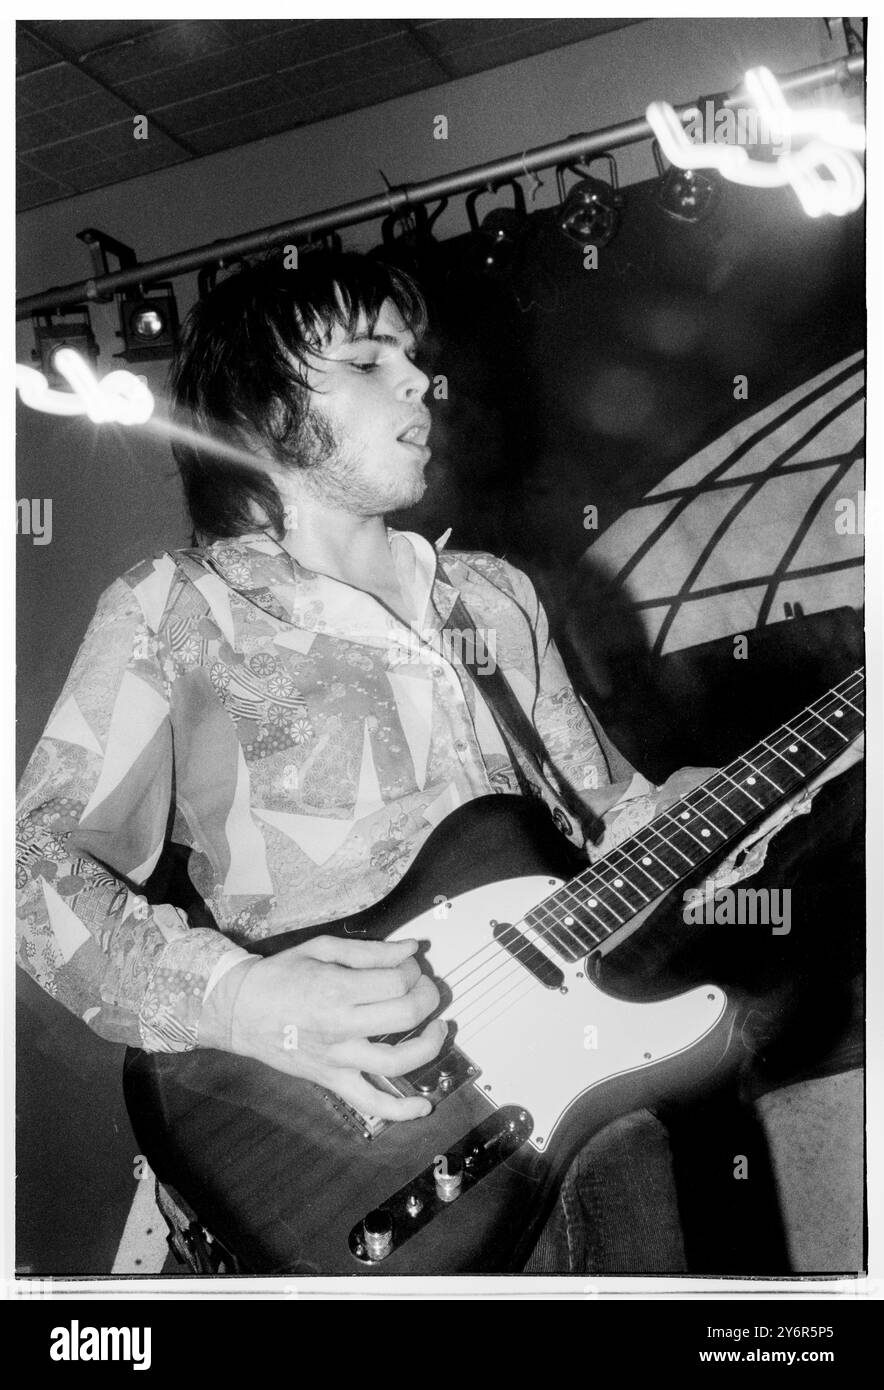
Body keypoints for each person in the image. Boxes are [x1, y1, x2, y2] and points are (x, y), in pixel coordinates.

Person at [15, 252, 862, 1273]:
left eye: (412, 357)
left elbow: (602, 825)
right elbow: (29, 872)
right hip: (336, 1148)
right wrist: (244, 997)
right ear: (260, 408)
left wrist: (686, 820)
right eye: (368, 361)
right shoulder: (176, 610)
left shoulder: (494, 597)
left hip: (592, 1112)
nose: (418, 380)